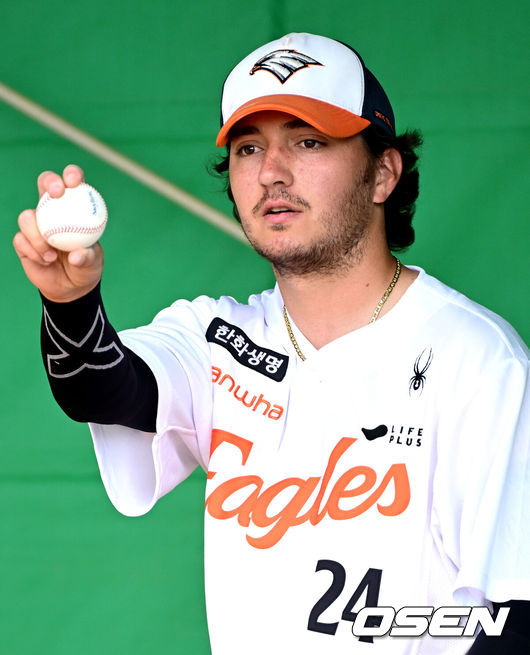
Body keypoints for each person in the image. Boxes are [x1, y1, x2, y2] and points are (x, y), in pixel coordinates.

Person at [13, 32, 529, 655]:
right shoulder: (216, 337)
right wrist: (70, 302)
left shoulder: (477, 360)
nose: (270, 173)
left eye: (308, 141)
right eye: (249, 147)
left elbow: (516, 613)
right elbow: (101, 388)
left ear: (383, 173)